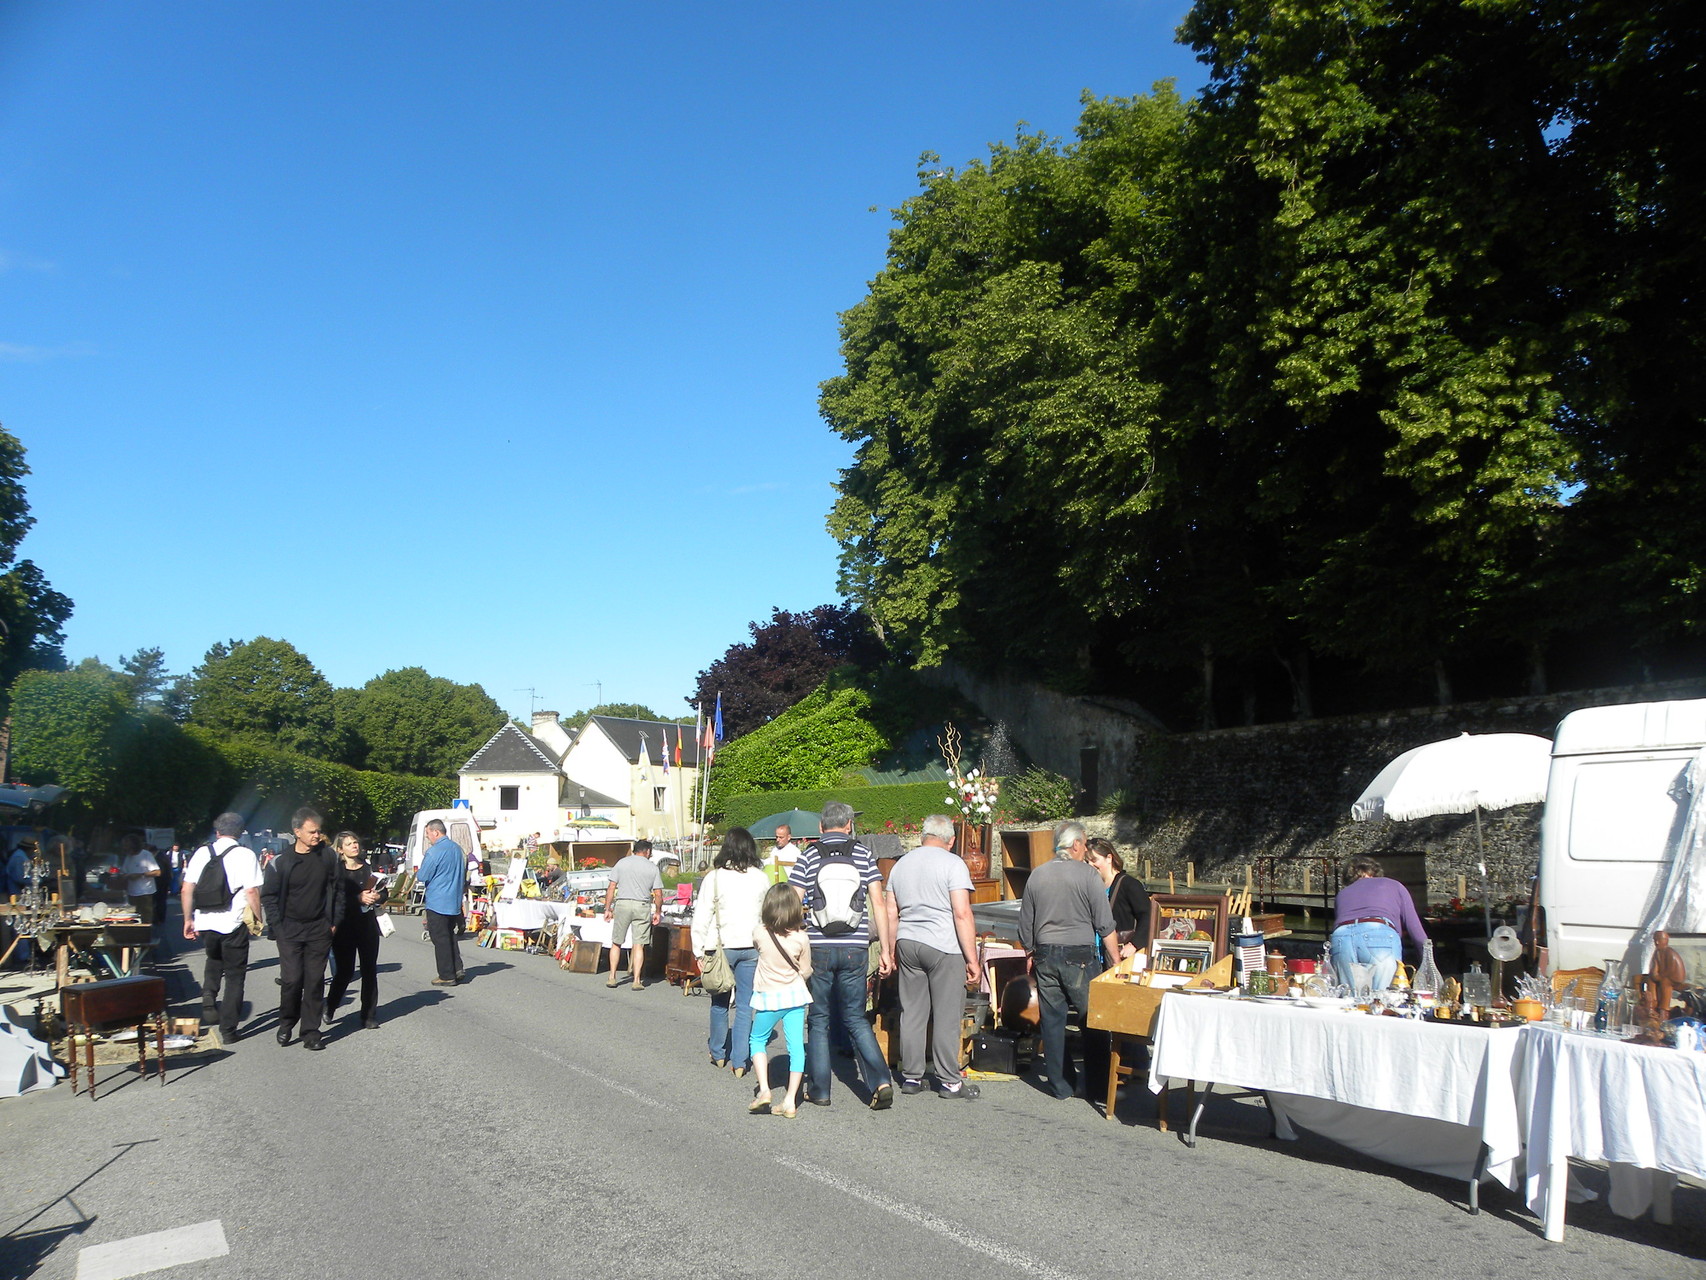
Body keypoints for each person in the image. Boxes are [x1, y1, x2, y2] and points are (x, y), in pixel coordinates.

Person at [789, 801, 895, 1110]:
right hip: (855, 948)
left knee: (819, 1020)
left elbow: (794, 903)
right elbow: (879, 902)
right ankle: (880, 1081)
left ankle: (820, 1089)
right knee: (855, 1018)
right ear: (849, 825)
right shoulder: (862, 854)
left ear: (821, 827)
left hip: (819, 948)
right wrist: (886, 949)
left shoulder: (808, 855)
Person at [1017, 821, 1119, 1101]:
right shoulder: (1088, 875)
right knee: (1092, 1021)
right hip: (1079, 956)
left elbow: (1025, 925)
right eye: (1085, 844)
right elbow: (1105, 925)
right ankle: (1099, 1087)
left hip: (1045, 955)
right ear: (1075, 845)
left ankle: (1061, 1086)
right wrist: (1117, 960)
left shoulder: (1037, 875)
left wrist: (1030, 953)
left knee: (1052, 1021)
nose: (1086, 850)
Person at [883, 814, 983, 1099]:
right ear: (950, 840)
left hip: (908, 941)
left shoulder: (901, 864)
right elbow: (961, 913)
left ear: (923, 836)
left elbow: (892, 912)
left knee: (912, 1012)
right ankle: (950, 1081)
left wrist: (890, 951)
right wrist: (972, 959)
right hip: (943, 944)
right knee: (947, 1015)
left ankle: (912, 1077)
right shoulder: (953, 863)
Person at [260, 807, 344, 1050]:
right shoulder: (281, 862)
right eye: (311, 831)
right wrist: (278, 926)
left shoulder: (328, 857)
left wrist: (334, 921)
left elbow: (338, 891)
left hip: (319, 928)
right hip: (290, 930)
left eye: (319, 831)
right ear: (297, 832)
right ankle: (286, 1022)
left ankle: (311, 1031)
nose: (317, 835)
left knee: (315, 981)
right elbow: (269, 897)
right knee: (292, 980)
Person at [691, 828, 770, 1076]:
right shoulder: (760, 878)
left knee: (719, 1001)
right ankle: (739, 1060)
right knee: (746, 1005)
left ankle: (718, 1053)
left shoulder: (714, 878)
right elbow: (766, 915)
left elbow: (702, 917)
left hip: (720, 946)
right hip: (751, 945)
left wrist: (698, 951)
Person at [181, 811, 263, 1049]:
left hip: (205, 920)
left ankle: (209, 996)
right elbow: (252, 892)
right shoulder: (246, 855)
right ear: (240, 832)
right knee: (236, 976)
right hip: (233, 921)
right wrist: (257, 919)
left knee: (213, 959)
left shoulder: (202, 852)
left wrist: (188, 919)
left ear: (217, 831)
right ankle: (229, 1030)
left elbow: (187, 889)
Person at [747, 882, 813, 1119]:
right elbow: (806, 970)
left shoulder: (760, 933)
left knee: (757, 1039)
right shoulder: (802, 938)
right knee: (796, 1047)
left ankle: (764, 1090)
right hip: (795, 995)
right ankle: (790, 1100)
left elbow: (759, 950)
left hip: (768, 996)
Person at [1330, 856, 1428, 992]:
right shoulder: (1394, 885)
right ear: (1375, 873)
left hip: (1340, 937)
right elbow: (1416, 932)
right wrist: (1428, 965)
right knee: (1383, 1000)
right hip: (1377, 932)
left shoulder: (1342, 894)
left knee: (1348, 1002)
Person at [324, 832, 385, 1030]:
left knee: (369, 970)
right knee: (345, 971)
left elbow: (384, 890)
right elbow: (333, 898)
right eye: (349, 844)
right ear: (340, 849)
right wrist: (357, 899)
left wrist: (378, 896)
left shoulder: (368, 867)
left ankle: (368, 1015)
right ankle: (330, 1005)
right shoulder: (336, 870)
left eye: (355, 842)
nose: (354, 846)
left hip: (367, 925)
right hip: (344, 926)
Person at [603, 840, 663, 990]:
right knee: (639, 944)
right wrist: (657, 911)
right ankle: (636, 980)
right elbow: (658, 893)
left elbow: (611, 887)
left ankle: (612, 977)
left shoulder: (621, 863)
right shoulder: (652, 868)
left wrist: (607, 908)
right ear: (647, 852)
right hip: (641, 905)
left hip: (622, 903)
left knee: (617, 942)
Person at [416, 820, 468, 987]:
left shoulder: (434, 851)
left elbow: (423, 876)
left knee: (440, 938)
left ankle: (446, 975)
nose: (428, 838)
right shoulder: (458, 849)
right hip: (453, 898)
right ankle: (457, 968)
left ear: (435, 832)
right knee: (449, 935)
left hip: (438, 900)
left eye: (428, 834)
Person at [1087, 838, 1150, 959]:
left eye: (1094, 860)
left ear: (1109, 858)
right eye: (1087, 861)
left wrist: (1134, 944)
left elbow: (1148, 915)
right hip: (1097, 957)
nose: (1090, 865)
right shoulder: (1094, 886)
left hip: (1121, 954)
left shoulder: (1129, 884)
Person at [120, 834, 161, 927]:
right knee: (133, 918)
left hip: (145, 892)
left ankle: (146, 936)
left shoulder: (146, 854)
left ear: (133, 846)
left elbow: (157, 872)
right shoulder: (128, 857)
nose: (125, 849)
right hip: (132, 892)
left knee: (146, 918)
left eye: (127, 846)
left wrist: (140, 875)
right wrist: (125, 876)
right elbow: (124, 872)